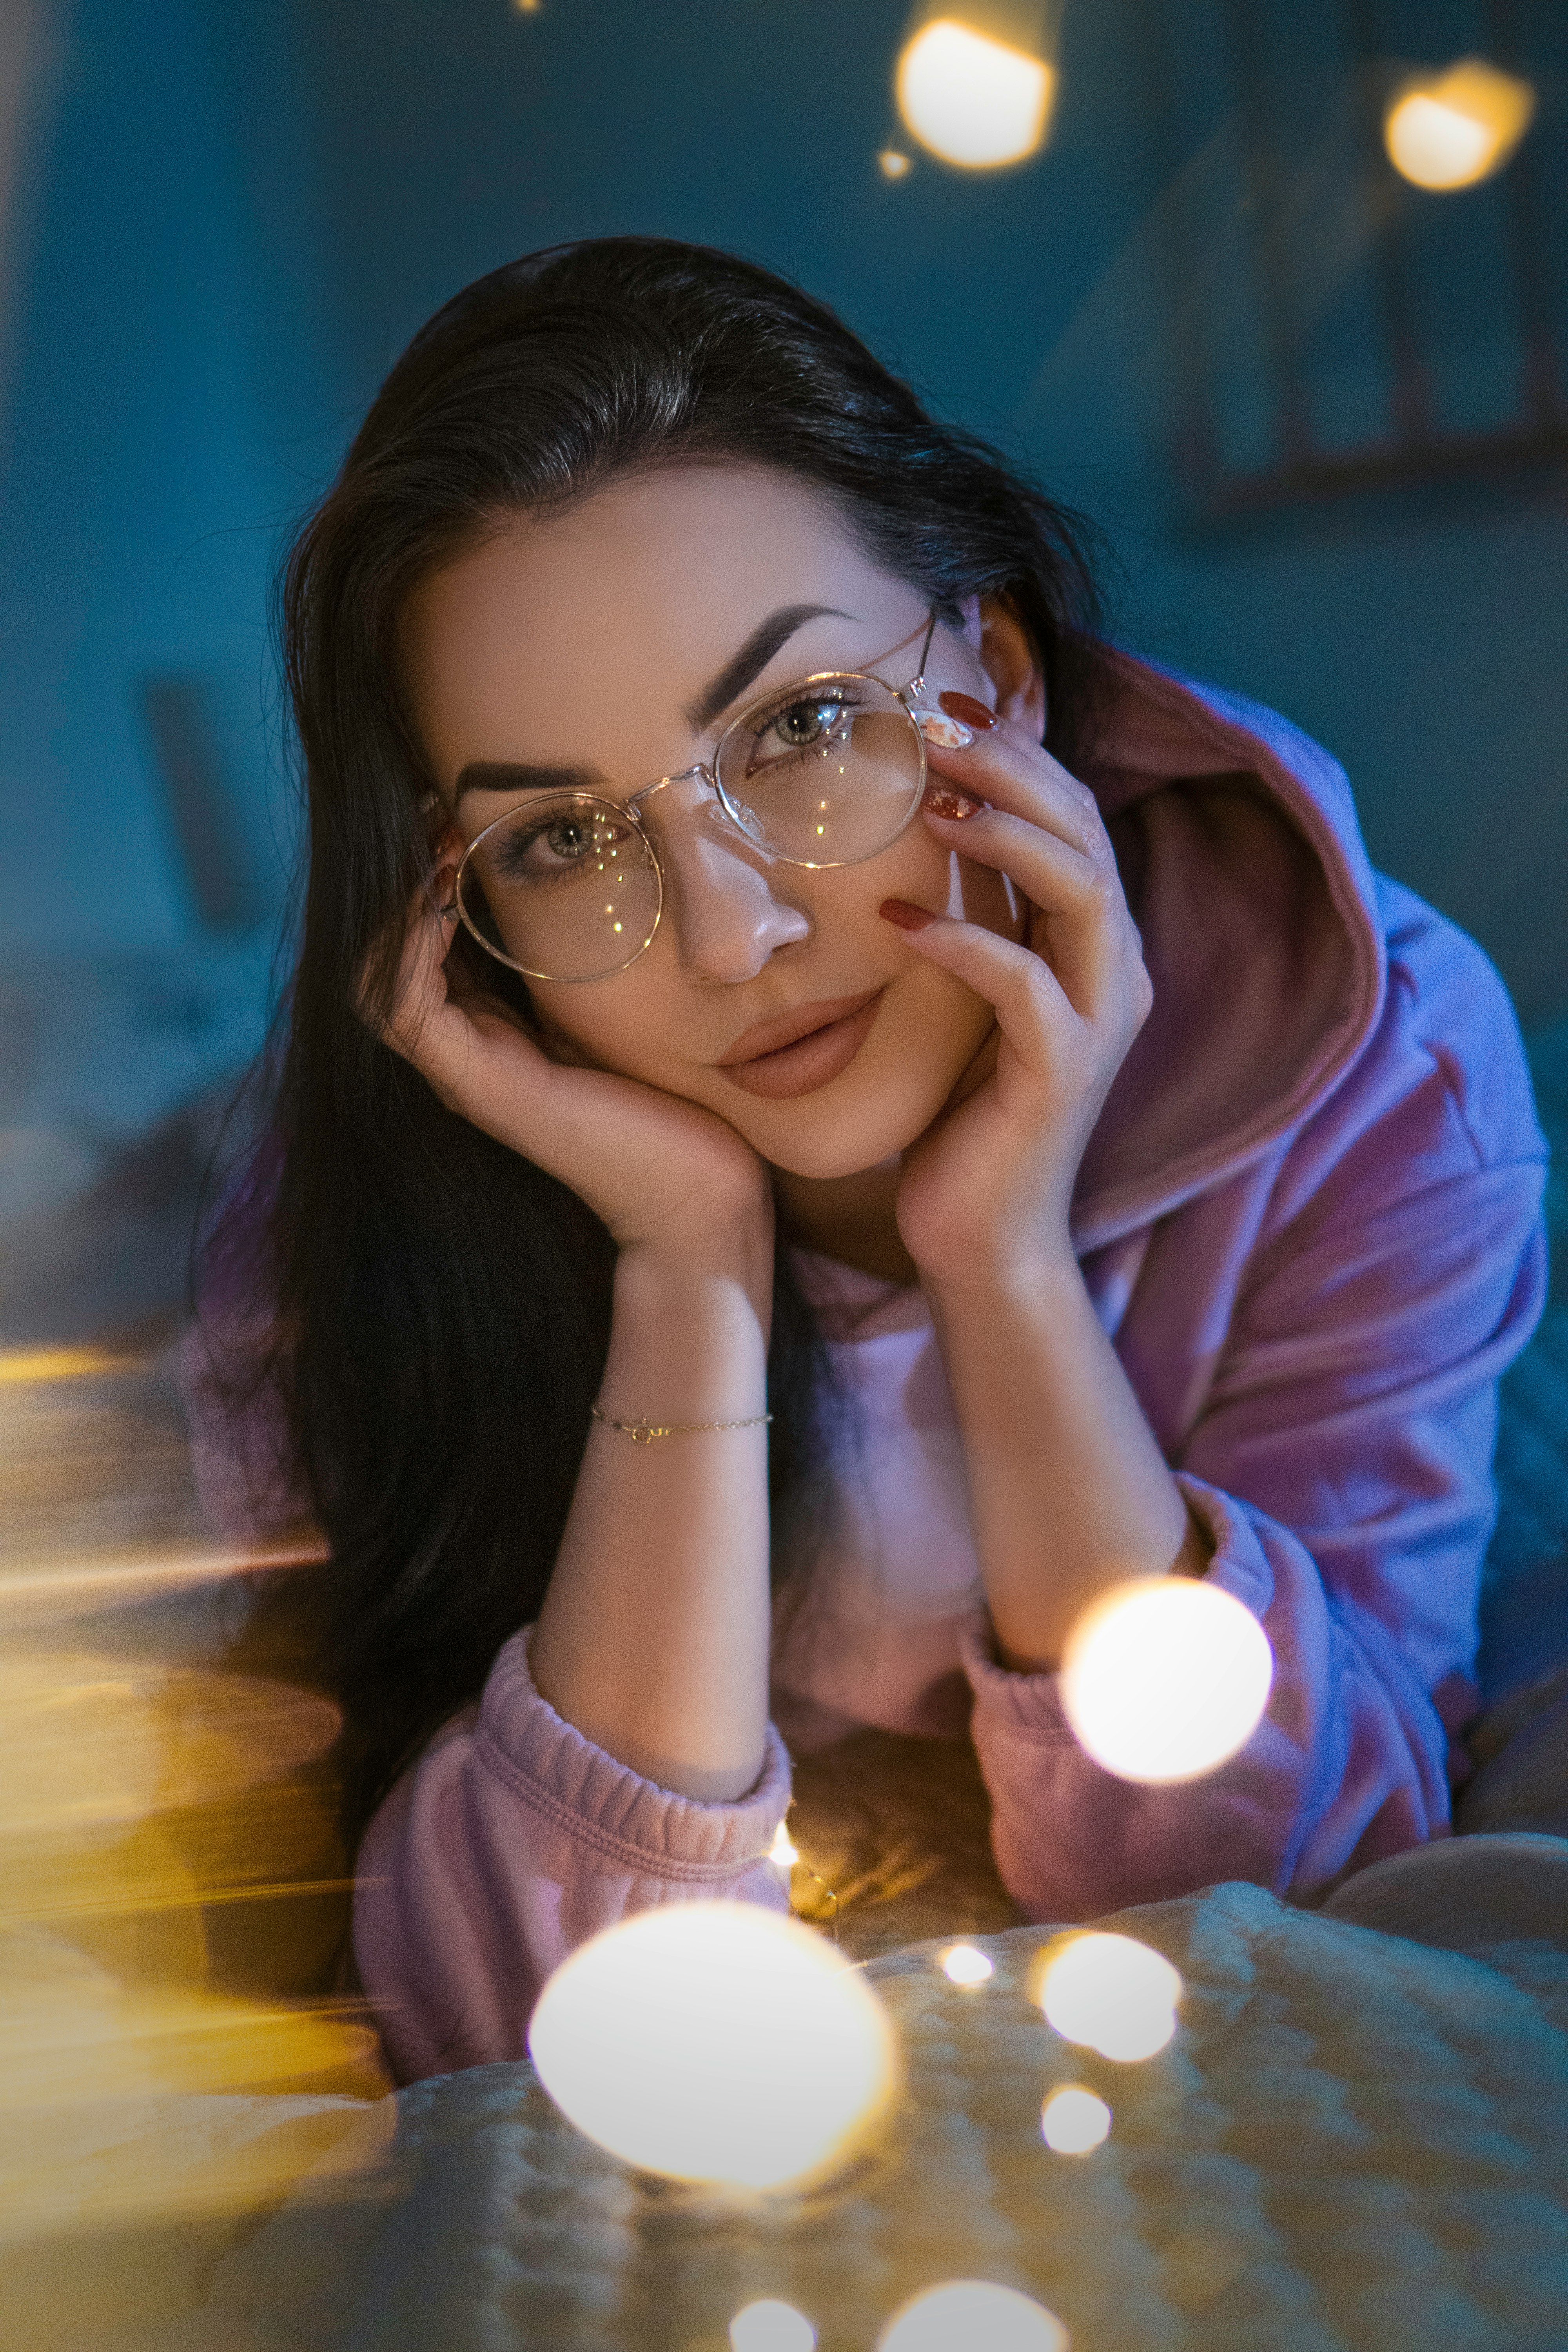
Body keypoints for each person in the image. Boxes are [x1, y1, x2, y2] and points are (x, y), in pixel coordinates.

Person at [198, 238, 1547, 2085]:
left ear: (989, 676)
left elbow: (1284, 1891)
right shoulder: (350, 1216)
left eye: (805, 731)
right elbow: (534, 2038)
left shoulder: (1380, 1054)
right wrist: (684, 1270)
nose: (730, 933)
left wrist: (1001, 1270)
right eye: (563, 844)